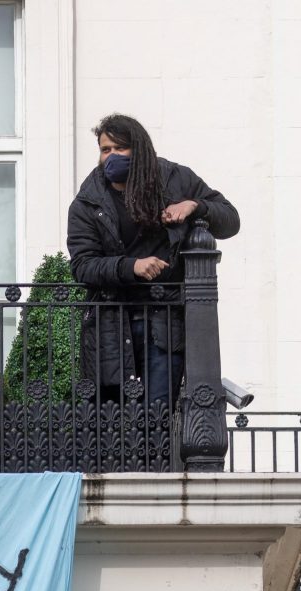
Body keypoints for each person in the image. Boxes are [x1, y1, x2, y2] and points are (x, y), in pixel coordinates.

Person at [66, 113, 239, 408]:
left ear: (139, 148)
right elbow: (83, 266)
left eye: (120, 148)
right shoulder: (88, 200)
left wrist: (195, 206)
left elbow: (230, 220)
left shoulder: (175, 179)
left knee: (157, 416)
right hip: (111, 324)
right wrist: (130, 266)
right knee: (112, 419)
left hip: (164, 322)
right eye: (105, 150)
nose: (112, 156)